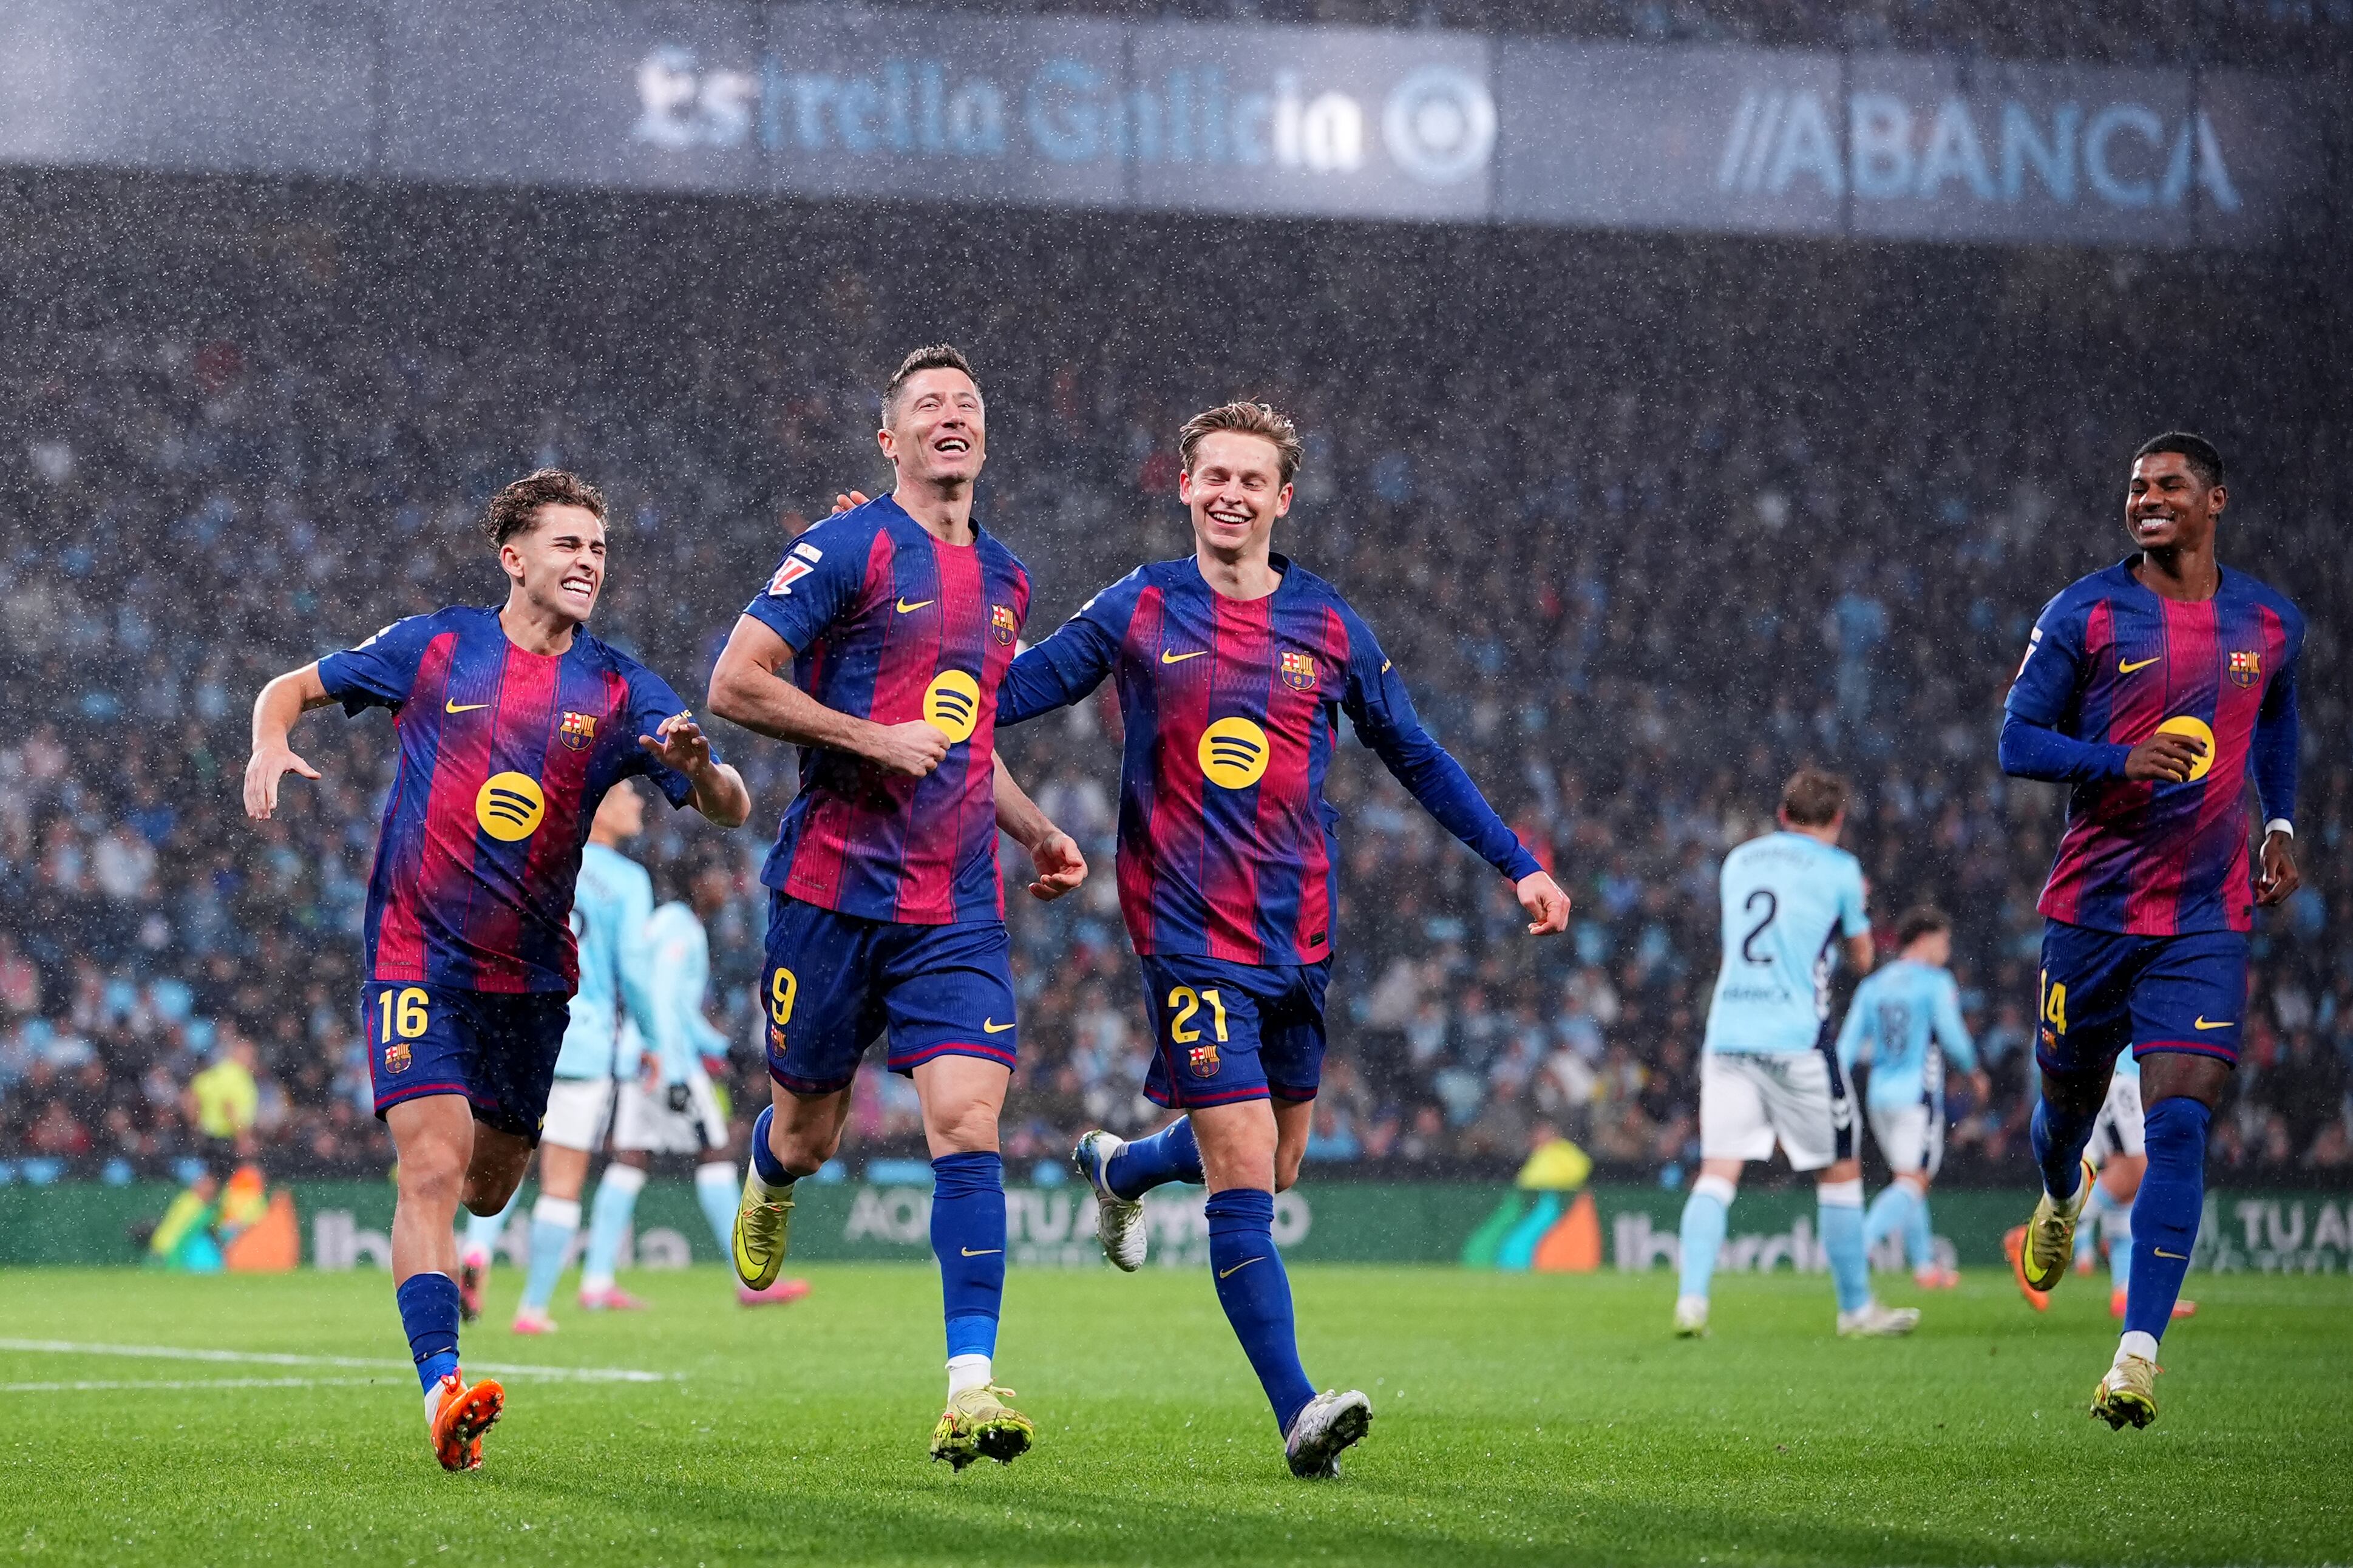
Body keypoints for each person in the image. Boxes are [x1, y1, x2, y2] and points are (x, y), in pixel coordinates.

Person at [994, 401, 1571, 1479]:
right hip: (1185, 931)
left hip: (1298, 935)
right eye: (1214, 475)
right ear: (1183, 485)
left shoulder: (1328, 623)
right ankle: (1299, 1412)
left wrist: (1519, 862)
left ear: (1283, 497)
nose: (1231, 494)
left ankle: (1124, 1164)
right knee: (1248, 1164)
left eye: (1252, 480)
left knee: (1276, 1163)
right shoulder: (1140, 604)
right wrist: (908, 628)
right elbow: (1006, 690)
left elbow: (1418, 754)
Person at [242, 468, 752, 1471]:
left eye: (599, 549)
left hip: (530, 982)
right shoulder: (435, 646)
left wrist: (698, 769)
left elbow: (732, 801)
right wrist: (269, 742)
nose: (589, 563)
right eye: (569, 545)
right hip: (415, 958)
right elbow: (291, 688)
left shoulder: (616, 685)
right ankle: (443, 1386)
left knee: (487, 1185)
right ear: (513, 557)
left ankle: (461, 1301)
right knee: (428, 1170)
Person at [705, 345, 1086, 1470]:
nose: (952, 415)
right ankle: (771, 1175)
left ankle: (970, 1385)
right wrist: (872, 737)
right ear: (891, 440)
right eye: (928, 404)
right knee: (810, 1129)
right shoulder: (846, 544)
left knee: (968, 1122)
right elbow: (733, 682)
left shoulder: (1008, 581)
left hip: (956, 902)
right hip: (831, 889)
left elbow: (965, 742)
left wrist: (1036, 829)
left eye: (968, 401)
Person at [1998, 430, 2297, 1428]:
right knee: (2067, 1112)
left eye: (2169, 484)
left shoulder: (2266, 619)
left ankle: (2135, 1354)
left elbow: (2280, 715)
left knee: (2178, 1119)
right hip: (2091, 914)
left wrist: (2282, 818)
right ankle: (2056, 1192)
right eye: (2136, 485)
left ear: (2216, 497)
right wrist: (2116, 758)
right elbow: (2016, 739)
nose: (2148, 497)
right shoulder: (2083, 610)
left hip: (2205, 920)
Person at [1673, 768, 1916, 1340]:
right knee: (1839, 1171)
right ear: (1837, 820)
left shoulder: (1739, 861)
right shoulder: (1840, 871)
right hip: (1795, 1038)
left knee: (1716, 1172)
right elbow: (1861, 959)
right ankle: (1856, 1308)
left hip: (1729, 1030)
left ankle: (1691, 1301)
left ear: (1782, 814)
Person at [462, 778, 660, 1334]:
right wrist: (653, 1040)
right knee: (563, 1179)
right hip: (585, 1038)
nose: (638, 802)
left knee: (502, 1162)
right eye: (626, 794)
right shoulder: (627, 880)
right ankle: (533, 1309)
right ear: (600, 808)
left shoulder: (542, 862)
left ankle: (476, 1252)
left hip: (524, 1031)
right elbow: (636, 973)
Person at [581, 854, 810, 1308]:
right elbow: (663, 1000)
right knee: (715, 1154)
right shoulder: (678, 927)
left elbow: (679, 1010)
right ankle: (748, 1279)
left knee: (630, 1159)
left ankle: (596, 1282)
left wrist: (720, 1047)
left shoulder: (675, 923)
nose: (726, 884)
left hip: (642, 1059)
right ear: (696, 881)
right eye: (717, 875)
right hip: (666, 1064)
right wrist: (674, 1068)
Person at [1841, 906, 1987, 1289]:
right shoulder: (1934, 982)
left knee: (1908, 1178)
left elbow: (1847, 1047)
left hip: (1879, 1098)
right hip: (1916, 1097)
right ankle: (1860, 1244)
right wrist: (1973, 1071)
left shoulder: (1874, 984)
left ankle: (1924, 1267)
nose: (1947, 949)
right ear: (1924, 939)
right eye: (1944, 941)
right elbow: (1953, 1036)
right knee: (1914, 1181)